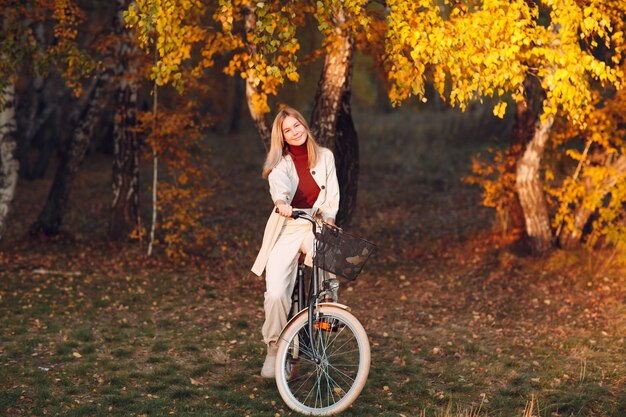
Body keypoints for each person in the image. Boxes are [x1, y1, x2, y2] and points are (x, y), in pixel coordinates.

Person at [251, 106, 340, 378]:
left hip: (316, 224)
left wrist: (330, 219)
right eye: (287, 130)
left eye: (297, 126)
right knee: (277, 292)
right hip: (287, 227)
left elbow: (332, 196)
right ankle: (275, 348)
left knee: (328, 257)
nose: (295, 132)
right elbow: (280, 189)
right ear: (283, 137)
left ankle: (326, 308)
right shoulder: (281, 164)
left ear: (304, 124)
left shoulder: (325, 157)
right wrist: (281, 203)